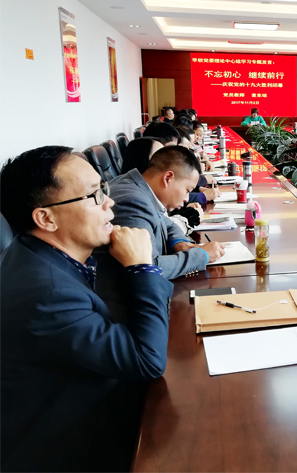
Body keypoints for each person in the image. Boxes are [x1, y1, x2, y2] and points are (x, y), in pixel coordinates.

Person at [0, 147, 173, 471]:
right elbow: (146, 361)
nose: (110, 203)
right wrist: (141, 267)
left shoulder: (34, 254)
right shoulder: (48, 294)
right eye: (93, 196)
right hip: (68, 449)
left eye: (102, 188)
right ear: (46, 218)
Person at [94, 146, 225, 320]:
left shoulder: (139, 187)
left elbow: (166, 222)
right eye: (187, 190)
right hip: (127, 313)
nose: (187, 199)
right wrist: (201, 255)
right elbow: (147, 267)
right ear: (168, 178)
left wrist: (179, 242)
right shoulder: (132, 200)